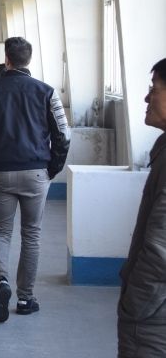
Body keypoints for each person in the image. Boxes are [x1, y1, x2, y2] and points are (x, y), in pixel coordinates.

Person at [0, 37, 70, 323]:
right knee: (32, 234)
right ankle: (26, 297)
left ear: (7, 59)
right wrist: (53, 168)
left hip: (2, 171)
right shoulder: (46, 92)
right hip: (36, 171)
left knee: (1, 231)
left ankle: (1, 282)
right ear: (29, 59)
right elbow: (63, 135)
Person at [117, 58, 166, 357]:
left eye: (155, 89)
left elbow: (161, 250)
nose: (147, 97)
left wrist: (136, 302)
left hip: (154, 314)